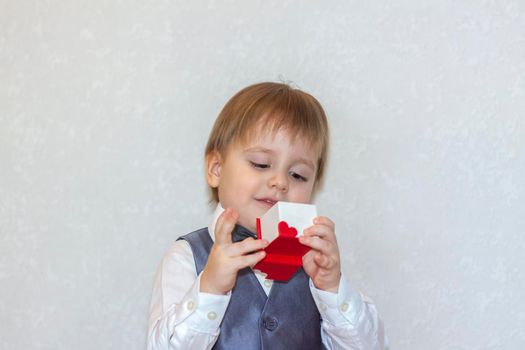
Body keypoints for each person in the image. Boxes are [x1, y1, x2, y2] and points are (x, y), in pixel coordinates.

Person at [147, 82, 387, 349]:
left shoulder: (314, 266)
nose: (280, 182)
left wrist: (331, 289)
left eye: (298, 175)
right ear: (216, 169)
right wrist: (211, 288)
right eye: (261, 164)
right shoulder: (185, 258)